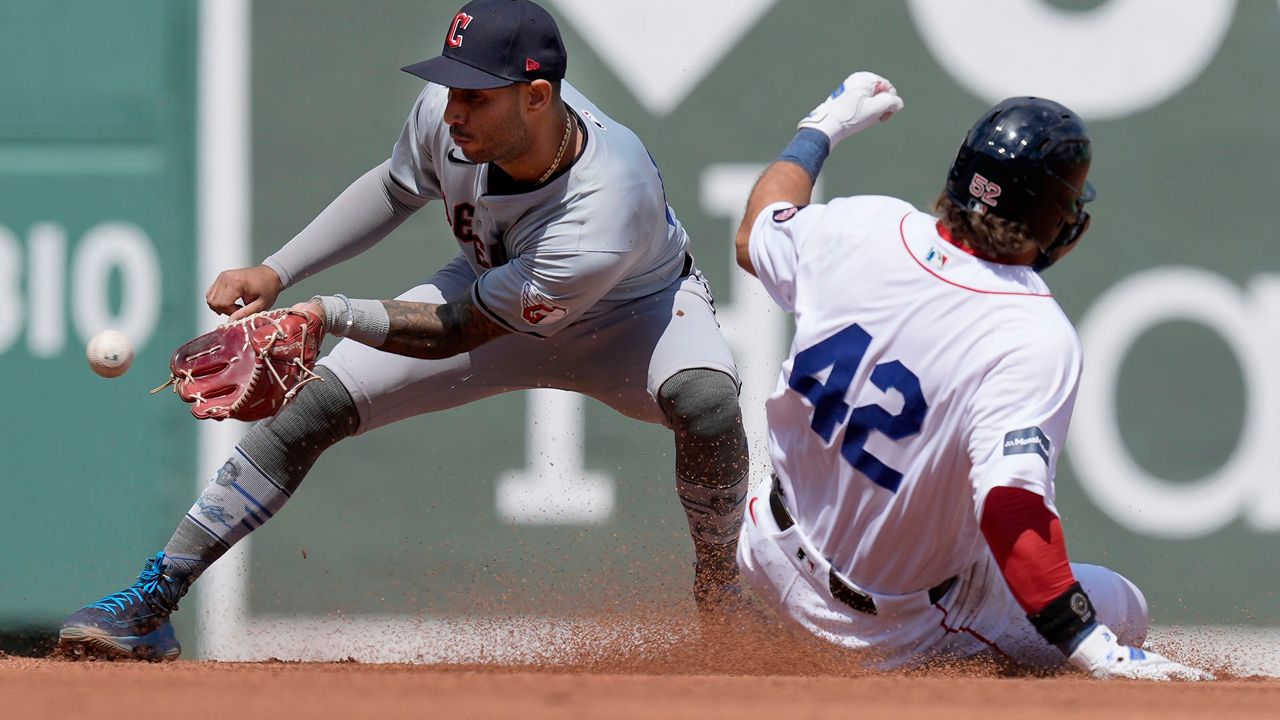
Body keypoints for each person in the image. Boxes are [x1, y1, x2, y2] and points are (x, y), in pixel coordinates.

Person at [57, 0, 748, 661]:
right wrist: (278, 270)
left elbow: (456, 331)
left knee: (707, 403)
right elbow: (394, 189)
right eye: (451, 85)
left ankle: (721, 597)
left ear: (537, 97)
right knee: (317, 405)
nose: (453, 109)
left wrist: (325, 314)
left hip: (634, 316)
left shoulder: (607, 198)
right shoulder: (451, 122)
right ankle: (150, 601)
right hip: (489, 287)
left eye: (477, 93)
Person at [731, 71, 1213, 680]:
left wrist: (821, 128)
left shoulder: (860, 226)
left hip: (764, 546)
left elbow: (756, 231)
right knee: (1122, 608)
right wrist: (1093, 647)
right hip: (888, 627)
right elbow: (1010, 507)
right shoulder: (1032, 332)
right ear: (1057, 220)